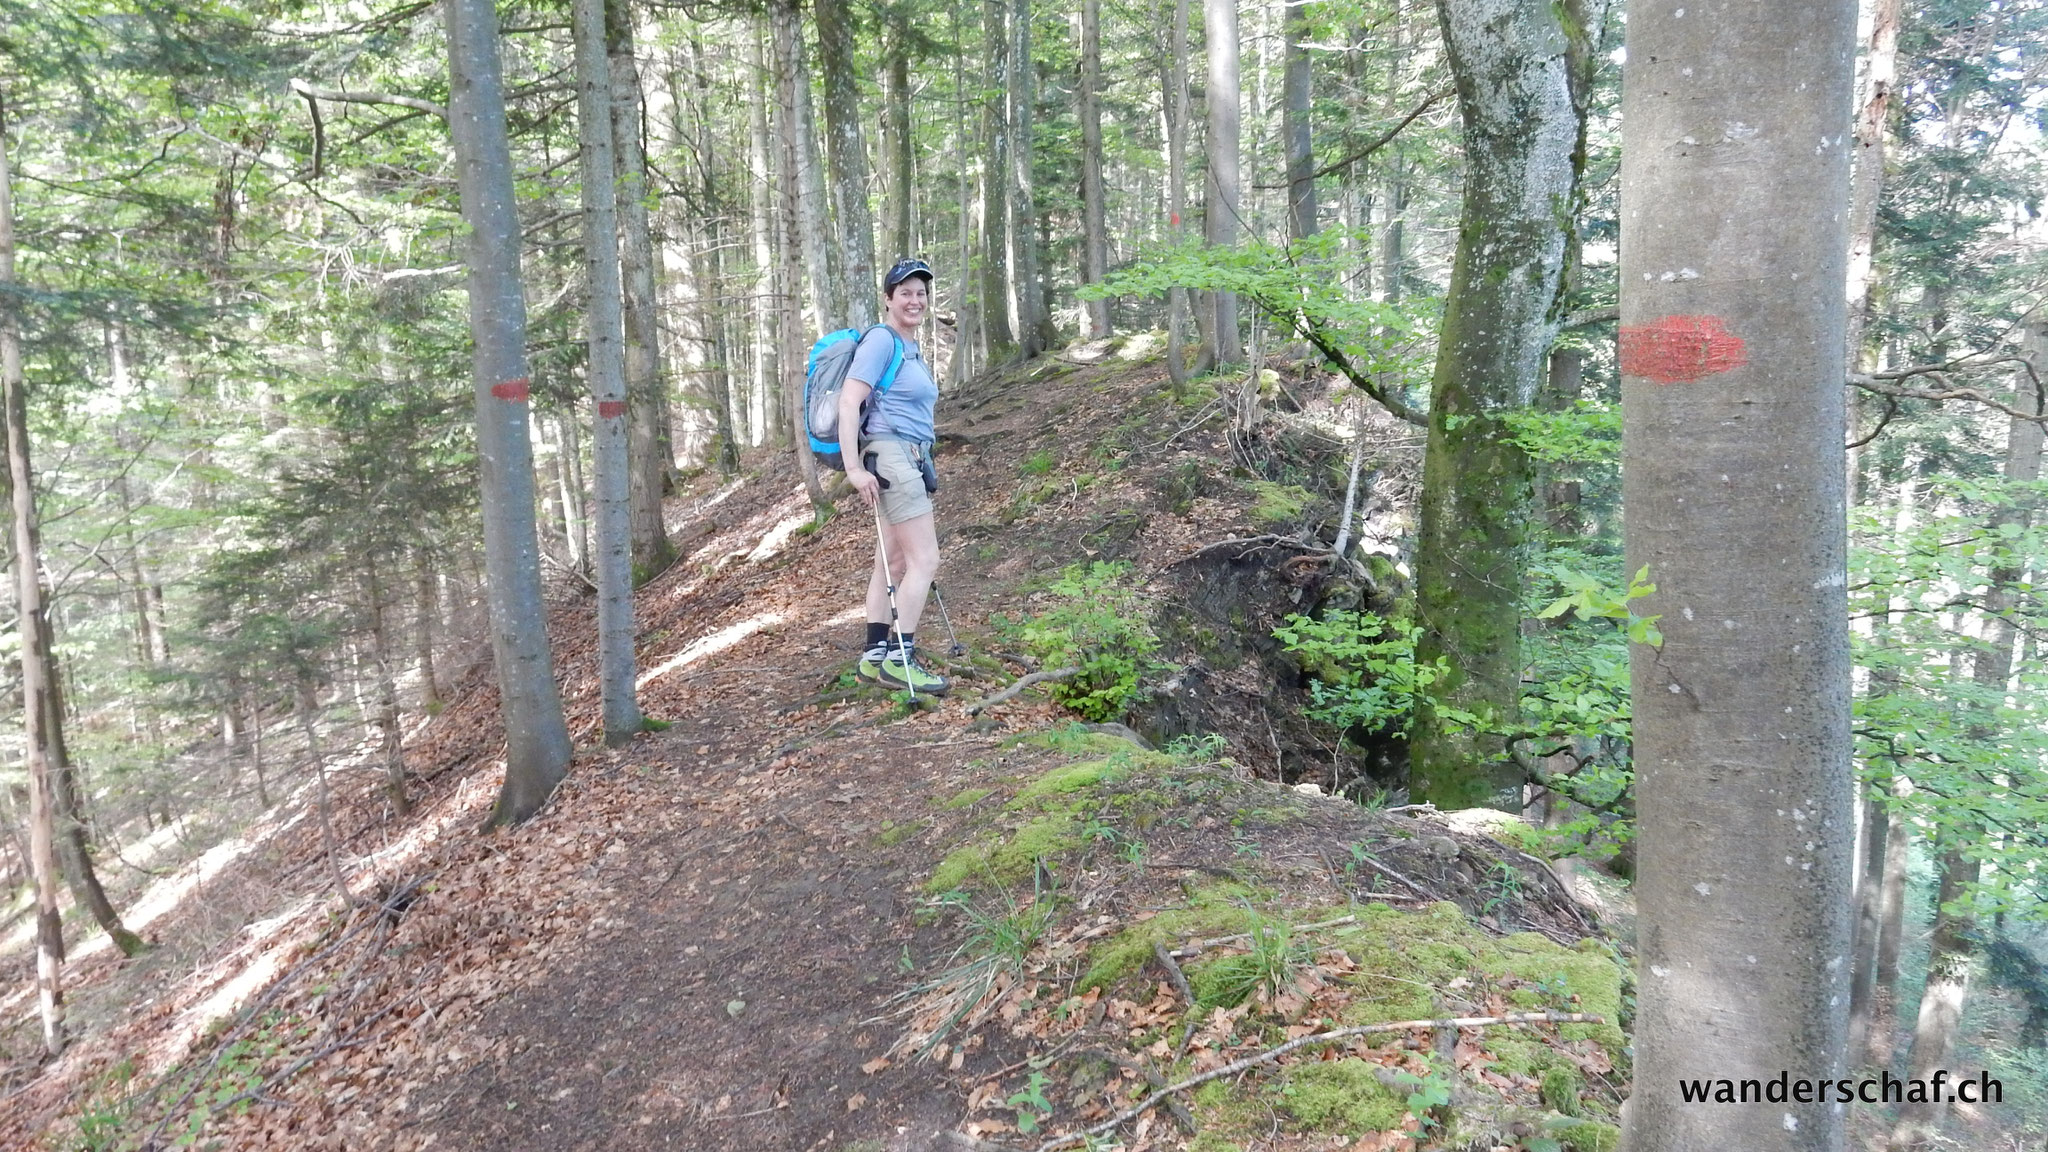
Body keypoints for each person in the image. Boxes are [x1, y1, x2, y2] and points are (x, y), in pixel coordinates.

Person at [840, 258, 949, 694]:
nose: (914, 300)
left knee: (894, 560)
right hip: (892, 457)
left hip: (903, 458)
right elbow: (850, 403)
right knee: (926, 559)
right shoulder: (882, 341)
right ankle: (901, 660)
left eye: (920, 293)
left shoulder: (909, 347)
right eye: (904, 292)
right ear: (888, 299)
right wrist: (852, 469)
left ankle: (873, 657)